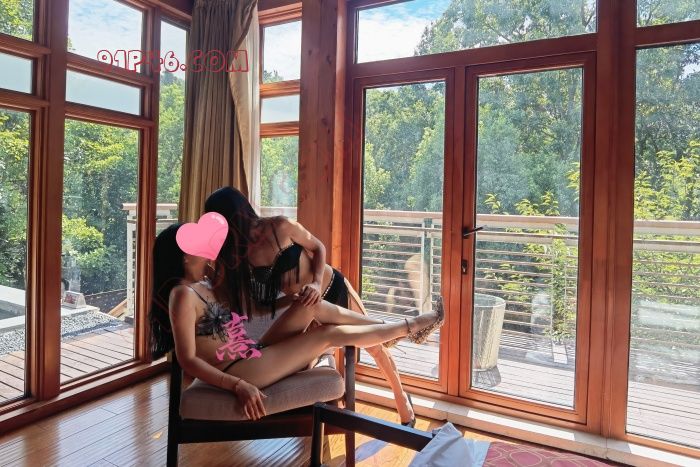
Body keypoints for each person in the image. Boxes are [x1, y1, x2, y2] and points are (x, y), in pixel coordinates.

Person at [149, 224, 444, 421]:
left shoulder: (204, 284)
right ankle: (409, 327)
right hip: (241, 371)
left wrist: (292, 301)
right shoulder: (181, 295)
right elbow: (187, 359)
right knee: (327, 334)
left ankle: (388, 329)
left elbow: (251, 309)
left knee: (312, 305)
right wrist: (238, 386)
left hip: (254, 353)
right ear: (185, 255)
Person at [204, 186, 441, 427]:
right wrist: (290, 301)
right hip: (306, 305)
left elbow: (318, 247)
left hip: (331, 288)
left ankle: (401, 399)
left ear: (232, 216)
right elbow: (255, 305)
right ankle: (400, 329)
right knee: (314, 350)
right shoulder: (241, 254)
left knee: (376, 348)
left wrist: (316, 283)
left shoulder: (280, 226)